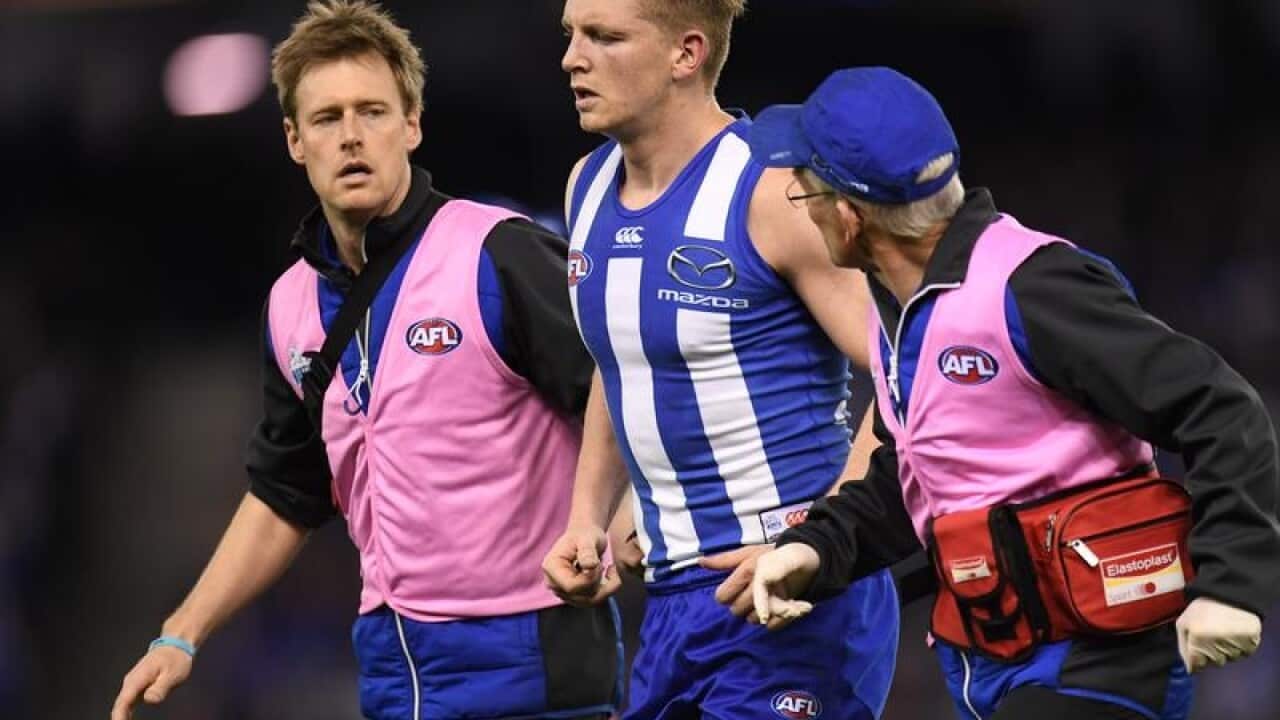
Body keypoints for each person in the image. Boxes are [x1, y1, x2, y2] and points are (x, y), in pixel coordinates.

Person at [110, 2, 620, 719]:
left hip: (534, 654)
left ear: (411, 125)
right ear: (294, 140)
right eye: (327, 118)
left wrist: (615, 523)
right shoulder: (289, 304)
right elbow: (287, 491)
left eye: (373, 112)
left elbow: (622, 385)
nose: (352, 136)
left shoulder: (496, 253)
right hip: (393, 665)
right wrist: (182, 634)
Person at [741, 66, 1280, 720]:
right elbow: (912, 478)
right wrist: (814, 550)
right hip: (999, 668)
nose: (799, 198)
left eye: (806, 190)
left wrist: (1231, 585)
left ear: (851, 218)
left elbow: (1222, 409)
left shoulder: (1031, 286)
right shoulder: (902, 319)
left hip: (1100, 664)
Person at [542, 2, 900, 718]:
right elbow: (623, 367)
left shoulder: (774, 193)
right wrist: (588, 516)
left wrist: (824, 541)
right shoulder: (585, 184)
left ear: (688, 53)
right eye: (571, 36)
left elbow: (910, 374)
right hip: (674, 607)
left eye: (604, 37)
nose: (572, 59)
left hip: (793, 603)